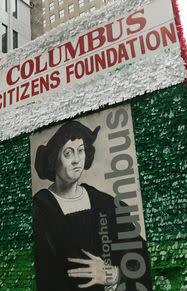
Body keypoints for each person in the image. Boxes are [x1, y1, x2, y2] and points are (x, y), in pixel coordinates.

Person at [33, 121, 151, 291]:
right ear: (54, 159)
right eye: (68, 153)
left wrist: (115, 275)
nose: (76, 160)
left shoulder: (106, 203)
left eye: (80, 151)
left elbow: (140, 257)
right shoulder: (40, 209)